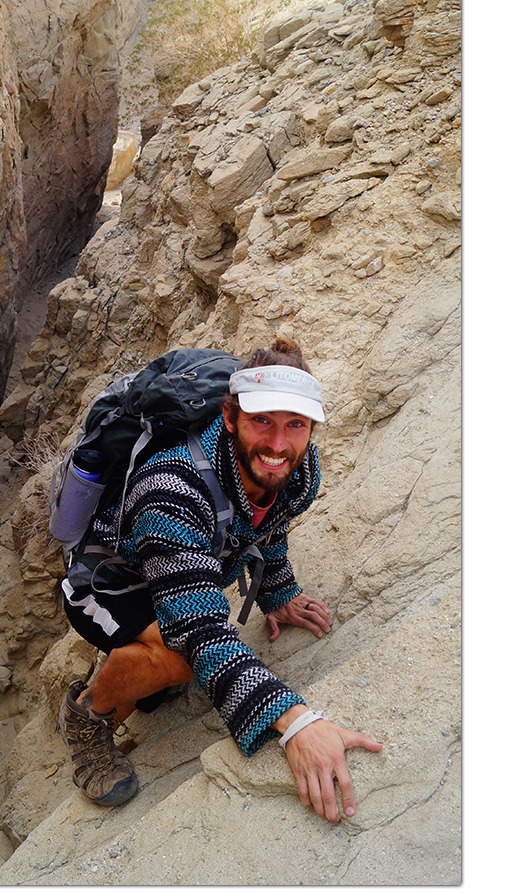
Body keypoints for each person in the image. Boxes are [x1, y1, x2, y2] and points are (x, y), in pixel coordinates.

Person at [58, 337, 382, 823]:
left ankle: (138, 675)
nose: (278, 444)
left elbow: (268, 524)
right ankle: (86, 715)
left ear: (310, 429)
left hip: (176, 564)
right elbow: (201, 632)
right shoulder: (172, 486)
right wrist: (296, 724)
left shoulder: (299, 470)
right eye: (261, 422)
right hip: (108, 582)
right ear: (230, 419)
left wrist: (277, 591)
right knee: (177, 656)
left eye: (295, 425)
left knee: (173, 657)